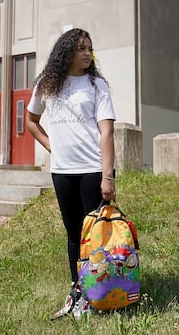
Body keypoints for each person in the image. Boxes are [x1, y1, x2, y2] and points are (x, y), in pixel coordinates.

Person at [26, 28, 116, 320]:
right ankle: (78, 293)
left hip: (92, 171)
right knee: (73, 235)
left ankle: (97, 294)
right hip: (62, 172)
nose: (88, 53)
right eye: (81, 49)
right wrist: (53, 147)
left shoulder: (97, 86)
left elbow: (107, 131)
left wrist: (108, 176)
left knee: (95, 235)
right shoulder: (47, 84)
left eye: (90, 48)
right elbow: (31, 120)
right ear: (67, 52)